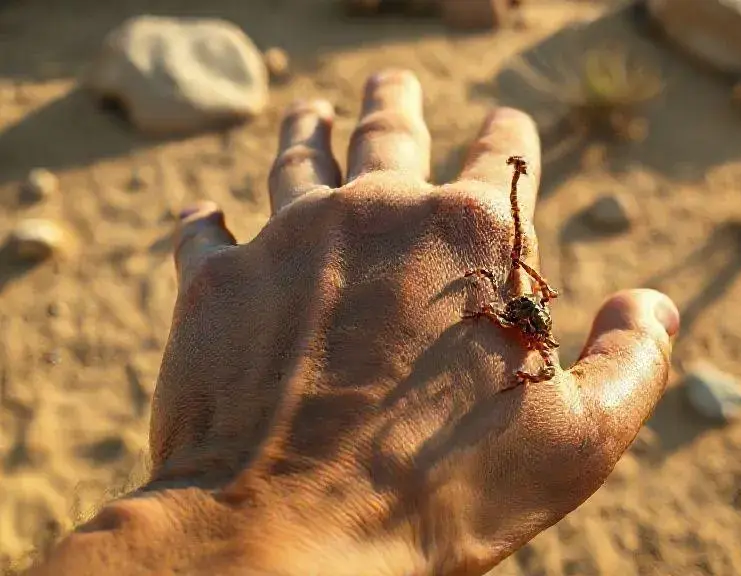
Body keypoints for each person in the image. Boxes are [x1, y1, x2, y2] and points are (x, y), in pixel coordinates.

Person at [28, 69, 680, 576]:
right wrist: (320, 511)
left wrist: (204, 475)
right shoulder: (509, 311)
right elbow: (507, 307)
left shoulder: (525, 327)